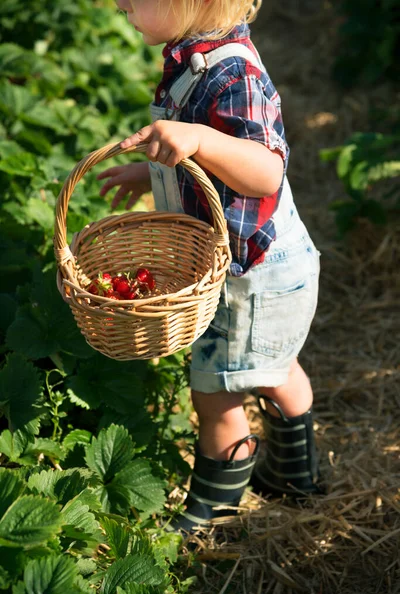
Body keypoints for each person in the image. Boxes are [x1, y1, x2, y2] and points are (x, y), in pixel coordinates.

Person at [97, 0, 322, 533]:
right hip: (268, 266)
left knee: (216, 392)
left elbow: (265, 171)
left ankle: (211, 514)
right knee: (278, 367)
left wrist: (201, 139)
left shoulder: (234, 72)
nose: (119, 2)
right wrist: (151, 172)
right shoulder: (192, 53)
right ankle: (298, 479)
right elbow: (202, 157)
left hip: (251, 275)